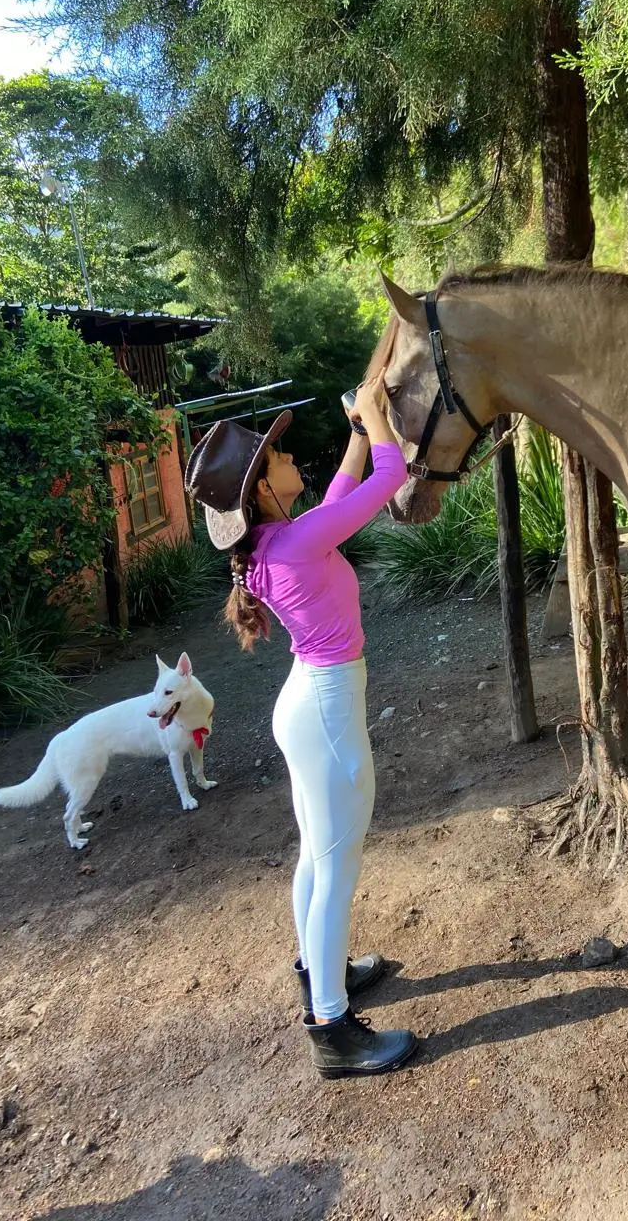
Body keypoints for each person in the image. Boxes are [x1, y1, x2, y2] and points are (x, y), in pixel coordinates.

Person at [184, 383, 418, 1078]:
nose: (290, 459)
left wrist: (356, 425)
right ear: (262, 491)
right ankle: (332, 1028)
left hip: (308, 703)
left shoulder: (279, 540)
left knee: (318, 857)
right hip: (325, 710)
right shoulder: (294, 543)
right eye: (279, 457)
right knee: (335, 865)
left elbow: (345, 485)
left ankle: (323, 969)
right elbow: (389, 475)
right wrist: (376, 419)